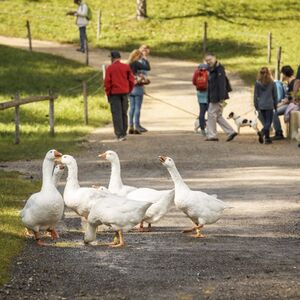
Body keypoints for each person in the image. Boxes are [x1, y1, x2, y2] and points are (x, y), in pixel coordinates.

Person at [204, 53, 237, 142]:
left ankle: (212, 135)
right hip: (213, 96)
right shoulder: (212, 69)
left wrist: (221, 98)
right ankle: (231, 132)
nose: (208, 62)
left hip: (217, 97)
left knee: (211, 114)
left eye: (210, 59)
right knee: (218, 116)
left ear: (215, 58)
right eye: (207, 60)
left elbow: (222, 84)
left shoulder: (219, 69)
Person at [104, 51, 135, 141]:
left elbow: (107, 83)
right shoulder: (126, 67)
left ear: (112, 58)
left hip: (114, 93)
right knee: (124, 113)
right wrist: (128, 90)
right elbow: (131, 80)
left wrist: (108, 93)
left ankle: (119, 134)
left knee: (116, 114)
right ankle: (124, 133)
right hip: (125, 92)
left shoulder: (110, 68)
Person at [127, 49, 151, 134]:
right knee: (137, 107)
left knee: (131, 107)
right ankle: (136, 126)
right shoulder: (136, 63)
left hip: (129, 88)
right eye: (140, 56)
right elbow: (148, 68)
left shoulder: (128, 64)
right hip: (137, 88)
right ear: (138, 56)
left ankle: (130, 125)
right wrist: (145, 59)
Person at [254, 67, 278, 144]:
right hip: (269, 104)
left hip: (261, 105)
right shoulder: (272, 82)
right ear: (269, 73)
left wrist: (256, 105)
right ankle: (262, 132)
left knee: (265, 122)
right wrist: (275, 105)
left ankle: (267, 138)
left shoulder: (257, 83)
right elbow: (275, 95)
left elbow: (255, 95)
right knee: (268, 122)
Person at [272, 65, 296, 140]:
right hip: (289, 103)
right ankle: (278, 131)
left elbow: (290, 98)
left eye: (282, 73)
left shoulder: (293, 82)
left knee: (273, 112)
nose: (281, 75)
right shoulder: (290, 81)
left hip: (292, 104)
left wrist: (279, 105)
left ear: (285, 74)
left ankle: (279, 133)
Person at [192, 63, 209, 136]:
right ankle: (210, 128)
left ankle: (202, 130)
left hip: (200, 94)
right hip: (208, 94)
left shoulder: (197, 72)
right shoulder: (208, 72)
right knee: (210, 113)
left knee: (202, 113)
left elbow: (194, 82)